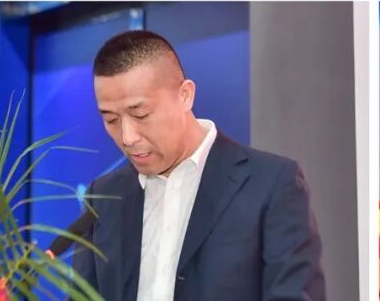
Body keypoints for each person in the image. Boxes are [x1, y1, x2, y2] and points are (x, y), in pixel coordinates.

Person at [71, 30, 325, 300]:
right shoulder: (104, 197)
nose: (127, 137)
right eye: (111, 120)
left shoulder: (271, 184)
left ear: (185, 95)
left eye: (141, 115)